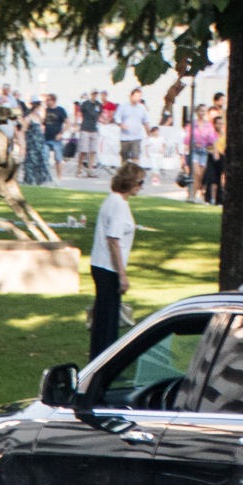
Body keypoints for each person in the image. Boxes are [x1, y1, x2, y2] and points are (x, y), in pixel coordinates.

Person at [90, 162, 144, 360]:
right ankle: (105, 362)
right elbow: (114, 240)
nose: (141, 187)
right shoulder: (119, 205)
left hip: (99, 264)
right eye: (139, 182)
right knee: (109, 320)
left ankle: (98, 360)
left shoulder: (112, 200)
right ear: (130, 183)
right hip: (108, 268)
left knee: (103, 317)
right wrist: (122, 274)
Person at [115, 89, 149, 169]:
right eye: (137, 96)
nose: (138, 98)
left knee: (135, 157)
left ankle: (135, 175)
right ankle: (124, 175)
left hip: (136, 137)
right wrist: (121, 124)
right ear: (131, 96)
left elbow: (145, 121)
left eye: (140, 96)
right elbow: (117, 118)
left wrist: (148, 131)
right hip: (125, 137)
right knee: (125, 158)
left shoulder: (142, 108)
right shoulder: (123, 106)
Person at [74, 89, 101, 176]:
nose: (95, 96)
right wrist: (76, 124)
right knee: (83, 151)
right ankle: (79, 169)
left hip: (94, 129)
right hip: (85, 128)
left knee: (93, 150)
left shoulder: (98, 105)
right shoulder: (85, 104)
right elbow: (80, 113)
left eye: (96, 94)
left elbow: (99, 115)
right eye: (93, 94)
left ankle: (90, 169)